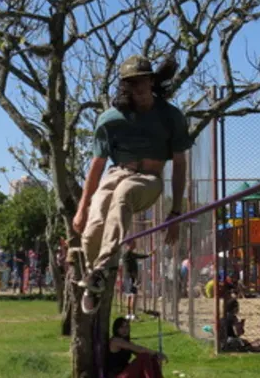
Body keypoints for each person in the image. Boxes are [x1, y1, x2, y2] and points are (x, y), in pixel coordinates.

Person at [72, 55, 189, 314]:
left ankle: (102, 266)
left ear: (151, 80)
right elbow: (97, 165)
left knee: (124, 194)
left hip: (148, 180)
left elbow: (180, 164)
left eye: (142, 80)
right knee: (93, 226)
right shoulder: (111, 119)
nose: (138, 87)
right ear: (124, 86)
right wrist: (82, 208)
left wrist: (176, 213)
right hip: (116, 173)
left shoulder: (170, 116)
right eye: (131, 82)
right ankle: (94, 279)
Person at [122, 241, 152, 321]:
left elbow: (140, 256)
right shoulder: (127, 255)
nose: (135, 245)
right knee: (133, 296)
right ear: (129, 244)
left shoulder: (131, 254)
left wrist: (149, 254)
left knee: (129, 296)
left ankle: (129, 314)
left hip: (129, 278)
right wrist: (134, 277)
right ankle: (132, 314)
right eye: (133, 243)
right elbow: (128, 268)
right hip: (130, 278)